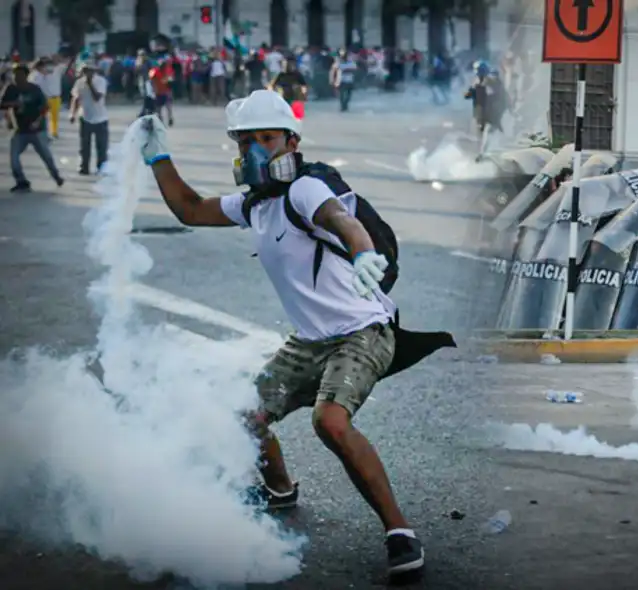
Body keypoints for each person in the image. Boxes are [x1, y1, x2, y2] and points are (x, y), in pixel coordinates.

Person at [135, 89, 454, 577]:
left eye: (268, 138)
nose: (258, 151)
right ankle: (280, 489)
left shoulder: (304, 189)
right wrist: (159, 157)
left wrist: (364, 252)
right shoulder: (254, 205)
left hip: (362, 330)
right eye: (247, 142)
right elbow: (191, 209)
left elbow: (341, 220)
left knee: (330, 421)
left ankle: (400, 532)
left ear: (291, 141)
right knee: (244, 417)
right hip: (309, 340)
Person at [1, 63, 65, 192]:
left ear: (26, 76)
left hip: (37, 130)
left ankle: (56, 176)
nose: (17, 78)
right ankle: (21, 181)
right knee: (14, 158)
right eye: (15, 75)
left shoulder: (34, 89)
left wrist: (38, 121)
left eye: (20, 75)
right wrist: (13, 104)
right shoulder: (11, 89)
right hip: (20, 130)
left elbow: (45, 107)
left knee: (46, 156)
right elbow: (2, 104)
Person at [69, 61, 110, 175]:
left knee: (101, 146)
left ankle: (101, 167)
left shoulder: (101, 81)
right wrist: (73, 113)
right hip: (85, 117)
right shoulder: (79, 82)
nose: (87, 73)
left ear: (94, 71)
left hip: (100, 118)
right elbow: (76, 99)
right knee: (84, 146)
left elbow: (97, 97)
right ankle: (84, 167)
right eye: (85, 71)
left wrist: (90, 84)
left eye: (89, 71)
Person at [464, 61, 508, 159]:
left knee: (489, 132)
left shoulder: (492, 82)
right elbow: (467, 95)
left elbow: (500, 96)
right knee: (482, 134)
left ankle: (483, 153)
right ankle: (482, 153)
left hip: (490, 113)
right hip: (481, 114)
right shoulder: (477, 84)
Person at [28, 57, 64, 138]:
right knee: (42, 117)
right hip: (45, 98)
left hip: (55, 97)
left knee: (54, 117)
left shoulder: (57, 70)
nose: (48, 66)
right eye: (46, 64)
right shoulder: (37, 74)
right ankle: (42, 133)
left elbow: (62, 64)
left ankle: (54, 132)